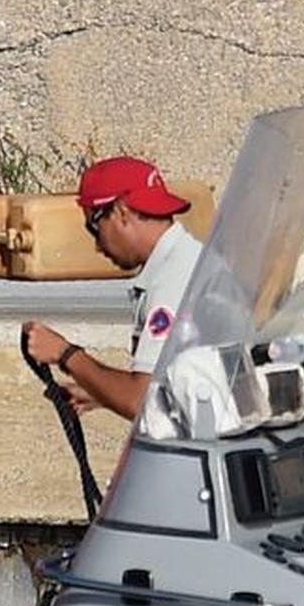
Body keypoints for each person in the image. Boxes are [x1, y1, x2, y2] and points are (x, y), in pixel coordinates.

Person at [19, 155, 203, 424]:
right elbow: (175, 389)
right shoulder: (186, 260)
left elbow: (142, 401)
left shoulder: (174, 280)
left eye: (94, 227)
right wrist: (102, 392)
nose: (97, 245)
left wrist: (66, 354)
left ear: (120, 212)